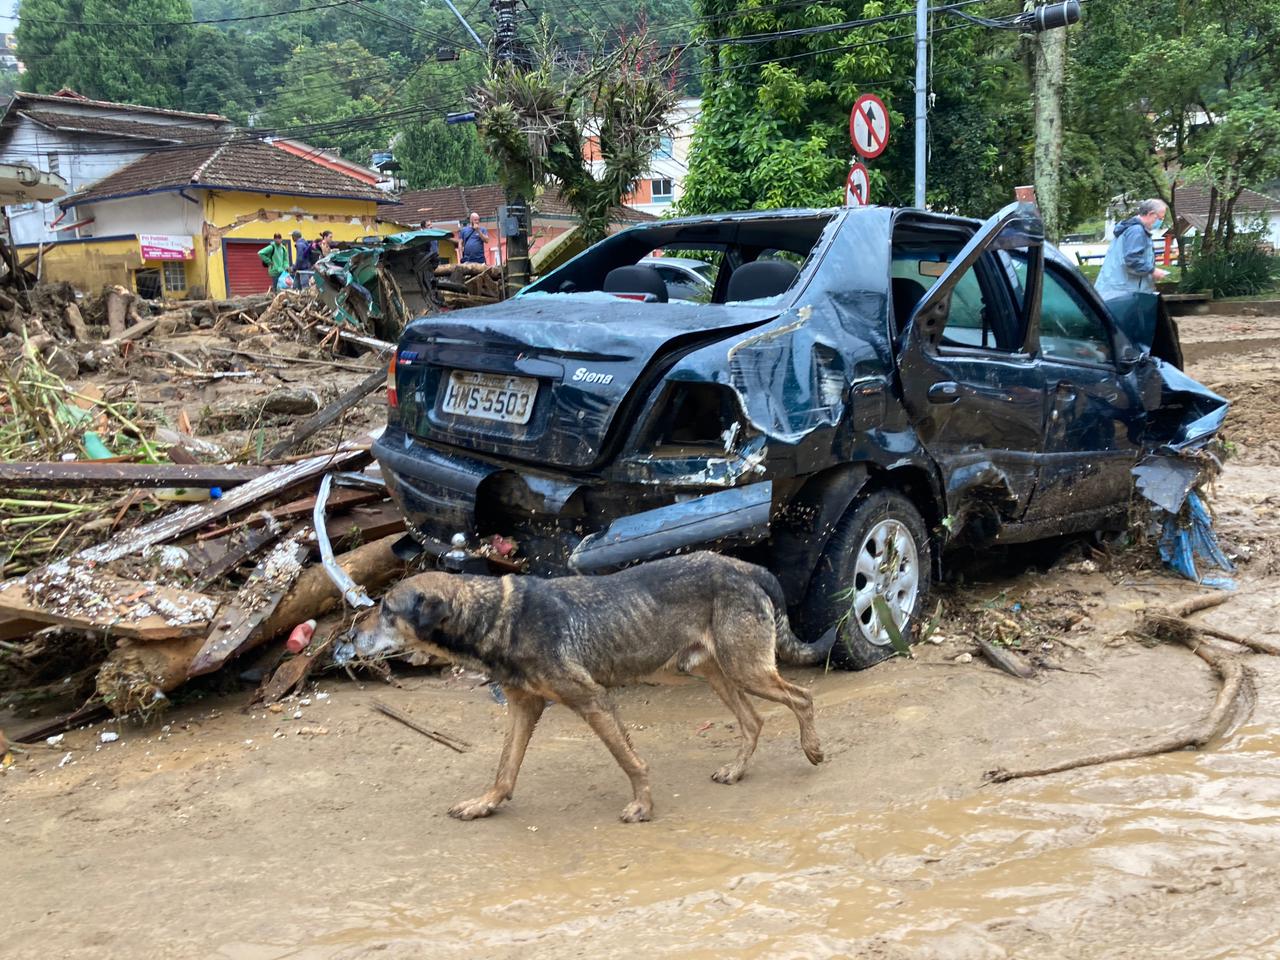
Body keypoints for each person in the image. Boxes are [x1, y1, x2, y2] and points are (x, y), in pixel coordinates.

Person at [1094, 199, 1170, 300]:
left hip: (1115, 289)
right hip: (1123, 293)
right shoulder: (1136, 231)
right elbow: (1133, 259)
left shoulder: (1130, 228)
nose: (1160, 222)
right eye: (1160, 218)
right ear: (1151, 214)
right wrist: (1153, 271)